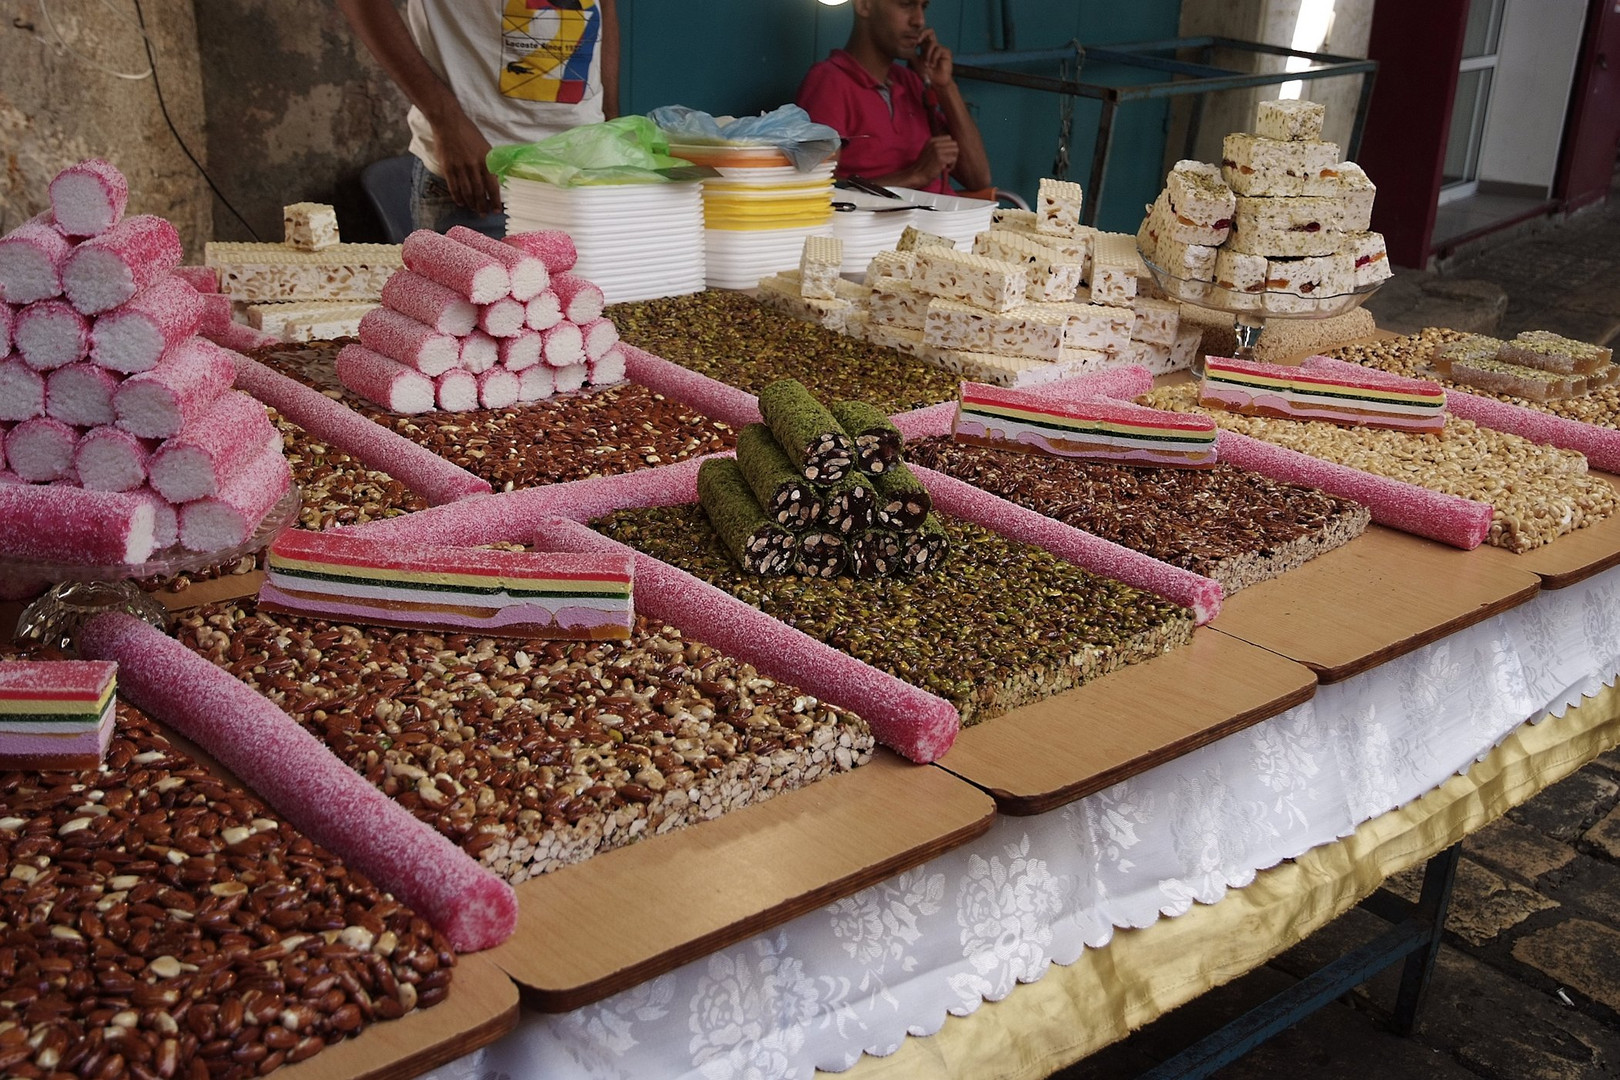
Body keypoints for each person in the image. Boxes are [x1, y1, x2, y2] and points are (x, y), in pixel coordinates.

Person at [338, 0, 620, 235]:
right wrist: (447, 121)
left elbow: (604, 6)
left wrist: (610, 126)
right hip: (484, 182)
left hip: (586, 179)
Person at [795, 0, 990, 196]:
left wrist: (945, 86)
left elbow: (977, 178)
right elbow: (817, 192)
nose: (919, 21)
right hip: (889, 224)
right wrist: (915, 175)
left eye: (923, 7)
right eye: (906, 5)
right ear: (863, 5)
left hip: (944, 219)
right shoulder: (830, 81)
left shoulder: (909, 81)